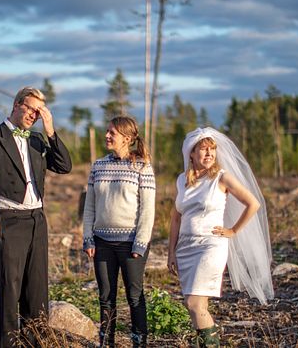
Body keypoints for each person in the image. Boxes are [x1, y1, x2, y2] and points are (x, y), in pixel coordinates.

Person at [0, 87, 72, 347]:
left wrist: (50, 131)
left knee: (37, 293)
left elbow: (64, 165)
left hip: (37, 221)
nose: (34, 115)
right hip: (7, 222)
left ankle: (35, 342)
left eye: (39, 111)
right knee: (9, 293)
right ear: (16, 105)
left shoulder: (37, 140)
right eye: (31, 108)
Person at [167, 127, 273, 347]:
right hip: (186, 247)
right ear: (191, 154)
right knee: (193, 305)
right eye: (203, 149)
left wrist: (233, 230)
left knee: (195, 304)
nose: (209, 154)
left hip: (210, 245)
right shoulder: (181, 180)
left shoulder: (221, 178)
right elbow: (175, 218)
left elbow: (253, 203)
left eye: (212, 150)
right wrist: (171, 252)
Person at [82, 116, 155, 348]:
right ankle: (107, 343)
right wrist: (88, 238)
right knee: (105, 298)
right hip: (102, 242)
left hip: (131, 244)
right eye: (107, 131)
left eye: (112, 132)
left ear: (127, 138)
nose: (107, 135)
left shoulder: (142, 167)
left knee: (134, 297)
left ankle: (139, 343)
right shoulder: (98, 166)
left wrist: (140, 243)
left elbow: (148, 210)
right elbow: (90, 206)